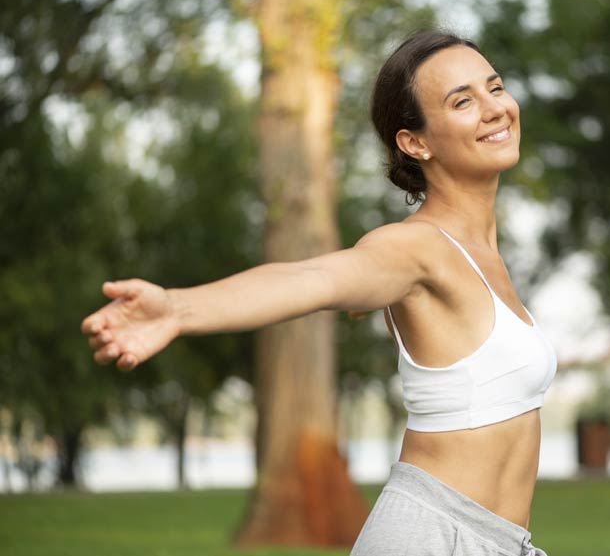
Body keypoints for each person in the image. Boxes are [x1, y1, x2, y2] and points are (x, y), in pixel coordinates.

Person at [81, 30, 556, 556]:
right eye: (463, 101)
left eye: (495, 88)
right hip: (431, 537)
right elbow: (312, 279)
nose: (495, 109)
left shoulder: (484, 252)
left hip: (496, 540)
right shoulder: (415, 248)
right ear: (414, 142)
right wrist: (177, 308)